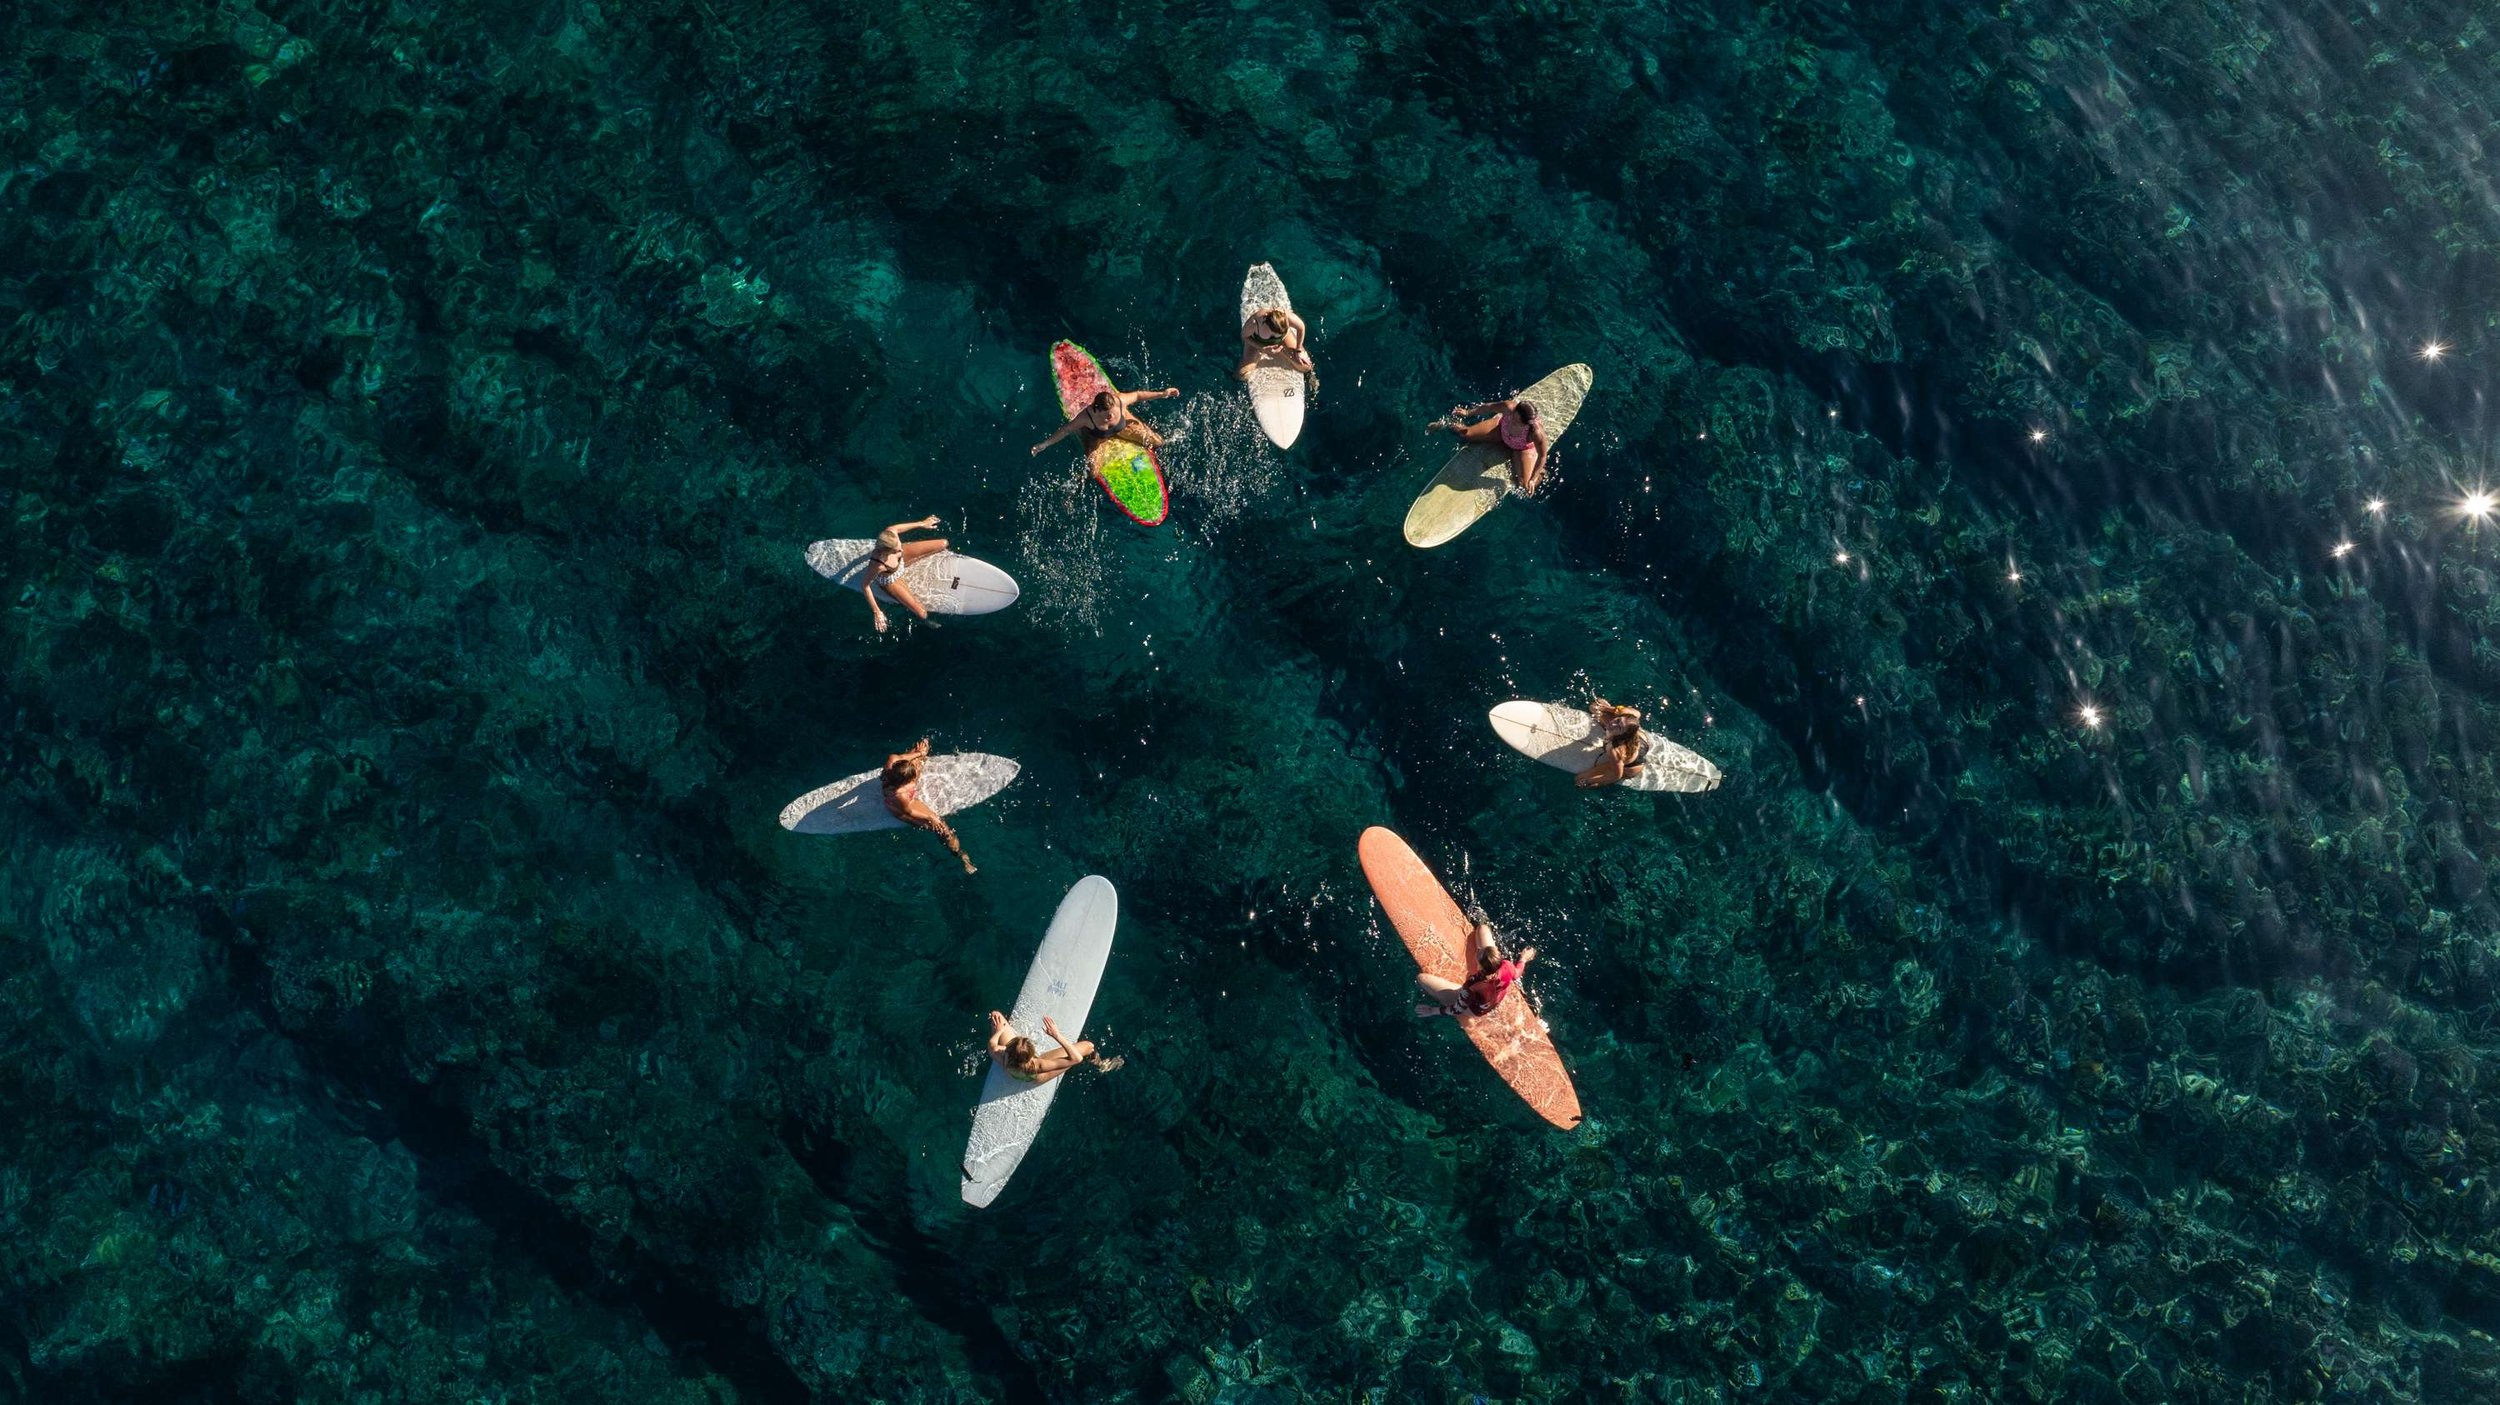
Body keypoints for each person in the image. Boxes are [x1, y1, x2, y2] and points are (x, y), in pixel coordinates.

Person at [882, 738, 976, 874]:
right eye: (912, 779)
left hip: (899, 785)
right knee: (942, 828)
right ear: (904, 782)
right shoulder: (900, 795)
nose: (915, 778)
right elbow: (908, 811)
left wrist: (920, 753)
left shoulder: (893, 761)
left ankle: (921, 754)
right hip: (901, 809)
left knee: (918, 758)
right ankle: (962, 857)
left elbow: (902, 758)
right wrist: (929, 818)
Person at [1429, 396, 1554, 496]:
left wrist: (1533, 478)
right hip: (1500, 430)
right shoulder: (1509, 407)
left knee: (1524, 484)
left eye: (1519, 423)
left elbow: (1543, 455)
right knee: (1465, 434)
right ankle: (1446, 423)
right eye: (1514, 419)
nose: (1515, 423)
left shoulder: (1536, 432)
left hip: (1521, 447)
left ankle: (1540, 472)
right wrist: (1468, 413)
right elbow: (1489, 407)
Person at [1415, 920, 1536, 1019]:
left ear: (1480, 967)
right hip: (1496, 996)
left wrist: (1433, 1010)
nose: (1478, 952)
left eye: (1478, 957)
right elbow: (1517, 974)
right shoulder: (1507, 966)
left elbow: (1456, 1009)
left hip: (1475, 1009)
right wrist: (1523, 959)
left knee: (1422, 978)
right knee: (1482, 928)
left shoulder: (1472, 986)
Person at [1032, 385, 1182, 456]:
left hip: (1123, 428)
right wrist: (1044, 444)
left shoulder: (1119, 401)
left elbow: (1137, 395)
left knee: (1158, 442)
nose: (1111, 417)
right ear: (1096, 409)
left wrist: (1163, 393)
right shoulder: (1086, 417)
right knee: (1093, 472)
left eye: (1113, 413)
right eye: (1107, 415)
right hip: (1098, 438)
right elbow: (1065, 430)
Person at [859, 516, 947, 634]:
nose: (899, 550)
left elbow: (895, 528)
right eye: (895, 550)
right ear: (886, 552)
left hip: (901, 562)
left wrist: (922, 523)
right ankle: (926, 622)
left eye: (899, 545)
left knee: (943, 544)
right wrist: (877, 611)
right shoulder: (878, 564)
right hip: (891, 578)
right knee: (922, 612)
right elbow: (865, 585)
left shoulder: (890, 534)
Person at [987, 1011, 1121, 1083]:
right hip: (1036, 1078)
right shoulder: (1038, 1065)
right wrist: (1057, 1035)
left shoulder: (1002, 1056)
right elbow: (1076, 1059)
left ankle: (1006, 1027)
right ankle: (1101, 1064)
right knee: (1088, 1046)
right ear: (1031, 1056)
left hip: (1013, 1073)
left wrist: (999, 1030)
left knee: (996, 1016)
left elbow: (991, 1045)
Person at [1576, 698, 1649, 789]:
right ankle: (1616, 719)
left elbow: (1616, 775)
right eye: (1618, 720)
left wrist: (1590, 781)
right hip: (1643, 741)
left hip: (1631, 768)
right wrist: (1606, 708)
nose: (1613, 724)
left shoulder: (1615, 750)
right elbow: (1637, 714)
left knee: (1579, 780)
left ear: (1623, 735)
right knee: (1594, 708)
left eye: (1619, 728)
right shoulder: (1625, 717)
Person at [1235, 306, 1313, 382]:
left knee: (1306, 367)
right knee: (1242, 375)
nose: (1276, 337)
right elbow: (1244, 336)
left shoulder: (1287, 317)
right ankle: (1264, 353)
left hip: (1282, 341)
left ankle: (1282, 351)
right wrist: (1261, 349)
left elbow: (1301, 327)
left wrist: (1298, 350)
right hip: (1258, 341)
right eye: (1274, 335)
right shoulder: (1255, 322)